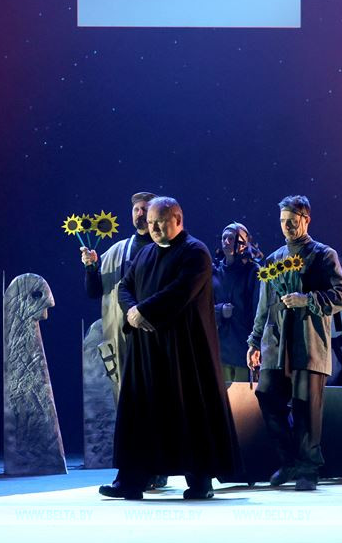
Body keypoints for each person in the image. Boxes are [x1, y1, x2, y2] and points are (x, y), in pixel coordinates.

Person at [100, 197, 238, 500]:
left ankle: (199, 481)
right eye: (151, 223)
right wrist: (132, 310)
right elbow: (125, 286)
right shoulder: (145, 252)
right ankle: (131, 480)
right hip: (145, 346)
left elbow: (180, 291)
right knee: (140, 409)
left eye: (160, 222)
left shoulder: (195, 252)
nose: (154, 228)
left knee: (189, 408)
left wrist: (143, 311)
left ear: (178, 218)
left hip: (184, 349)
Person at [246, 195, 342, 491]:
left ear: (306, 220)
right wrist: (255, 341)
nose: (287, 226)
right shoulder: (273, 260)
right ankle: (289, 459)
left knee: (306, 406)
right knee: (267, 395)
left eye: (292, 220)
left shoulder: (323, 255)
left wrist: (309, 300)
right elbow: (263, 306)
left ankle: (308, 467)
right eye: (283, 221)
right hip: (275, 342)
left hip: (308, 341)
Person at [81, 191, 156, 400]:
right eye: (136, 209)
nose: (140, 213)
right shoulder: (117, 251)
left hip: (155, 332)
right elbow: (94, 291)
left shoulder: (166, 249)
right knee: (126, 396)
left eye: (145, 209)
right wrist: (90, 268)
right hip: (122, 336)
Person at [212, 222, 260, 382]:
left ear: (243, 243)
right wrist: (219, 310)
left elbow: (259, 310)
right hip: (220, 348)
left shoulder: (253, 272)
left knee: (243, 394)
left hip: (244, 347)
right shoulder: (214, 272)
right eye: (224, 238)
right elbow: (203, 307)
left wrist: (256, 344)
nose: (226, 242)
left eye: (231, 238)